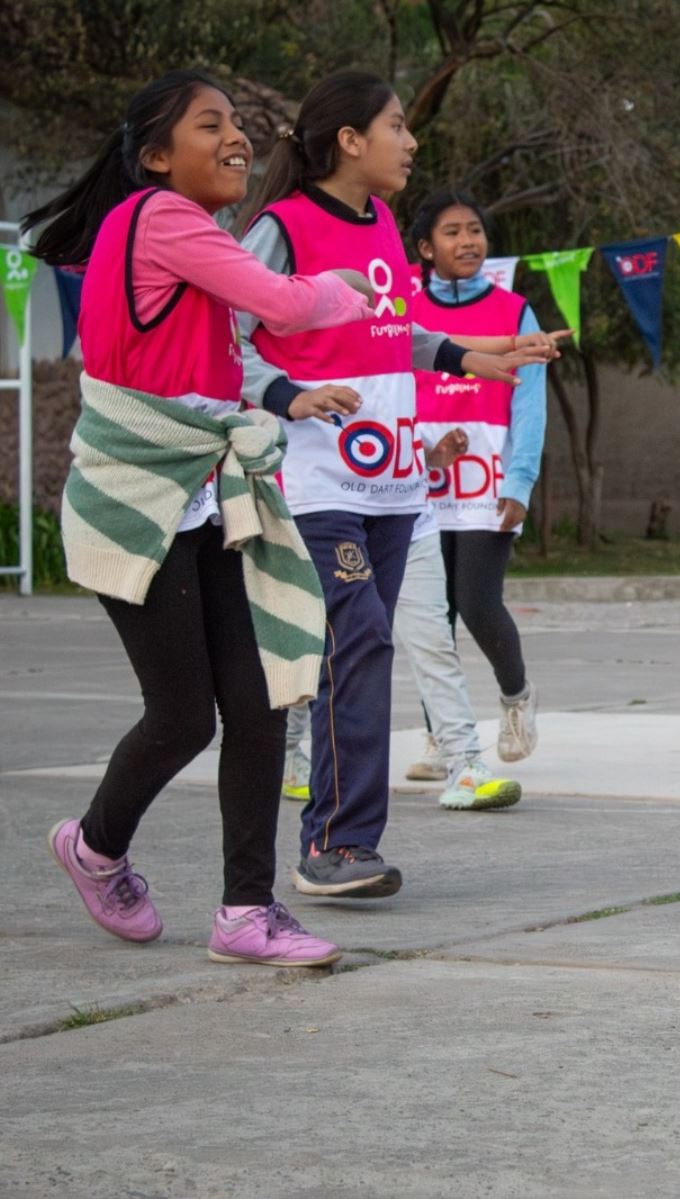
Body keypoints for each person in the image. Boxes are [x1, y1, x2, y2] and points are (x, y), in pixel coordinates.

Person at [28, 71, 375, 966]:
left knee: (256, 703)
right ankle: (95, 846)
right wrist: (350, 288)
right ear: (154, 156)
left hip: (206, 488)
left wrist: (281, 398)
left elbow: (225, 370)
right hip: (136, 500)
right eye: (209, 124)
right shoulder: (158, 218)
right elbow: (290, 304)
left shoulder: (190, 235)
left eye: (237, 125)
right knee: (183, 713)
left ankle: (245, 913)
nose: (236, 139)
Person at [235, 71, 555, 897]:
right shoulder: (283, 228)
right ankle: (334, 846)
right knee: (361, 638)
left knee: (369, 652)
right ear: (349, 139)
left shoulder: (378, 222)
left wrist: (469, 354)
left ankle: (346, 844)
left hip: (396, 488)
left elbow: (389, 330)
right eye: (397, 126)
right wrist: (288, 395)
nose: (411, 142)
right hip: (317, 484)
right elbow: (226, 336)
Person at [407, 189, 558, 771]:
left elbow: (531, 402)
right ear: (425, 248)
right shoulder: (406, 310)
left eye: (474, 229)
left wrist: (519, 482)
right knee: (428, 612)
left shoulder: (515, 310)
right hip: (418, 478)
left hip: (488, 483)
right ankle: (440, 734)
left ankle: (517, 698)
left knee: (475, 601)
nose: (467, 241)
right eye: (451, 232)